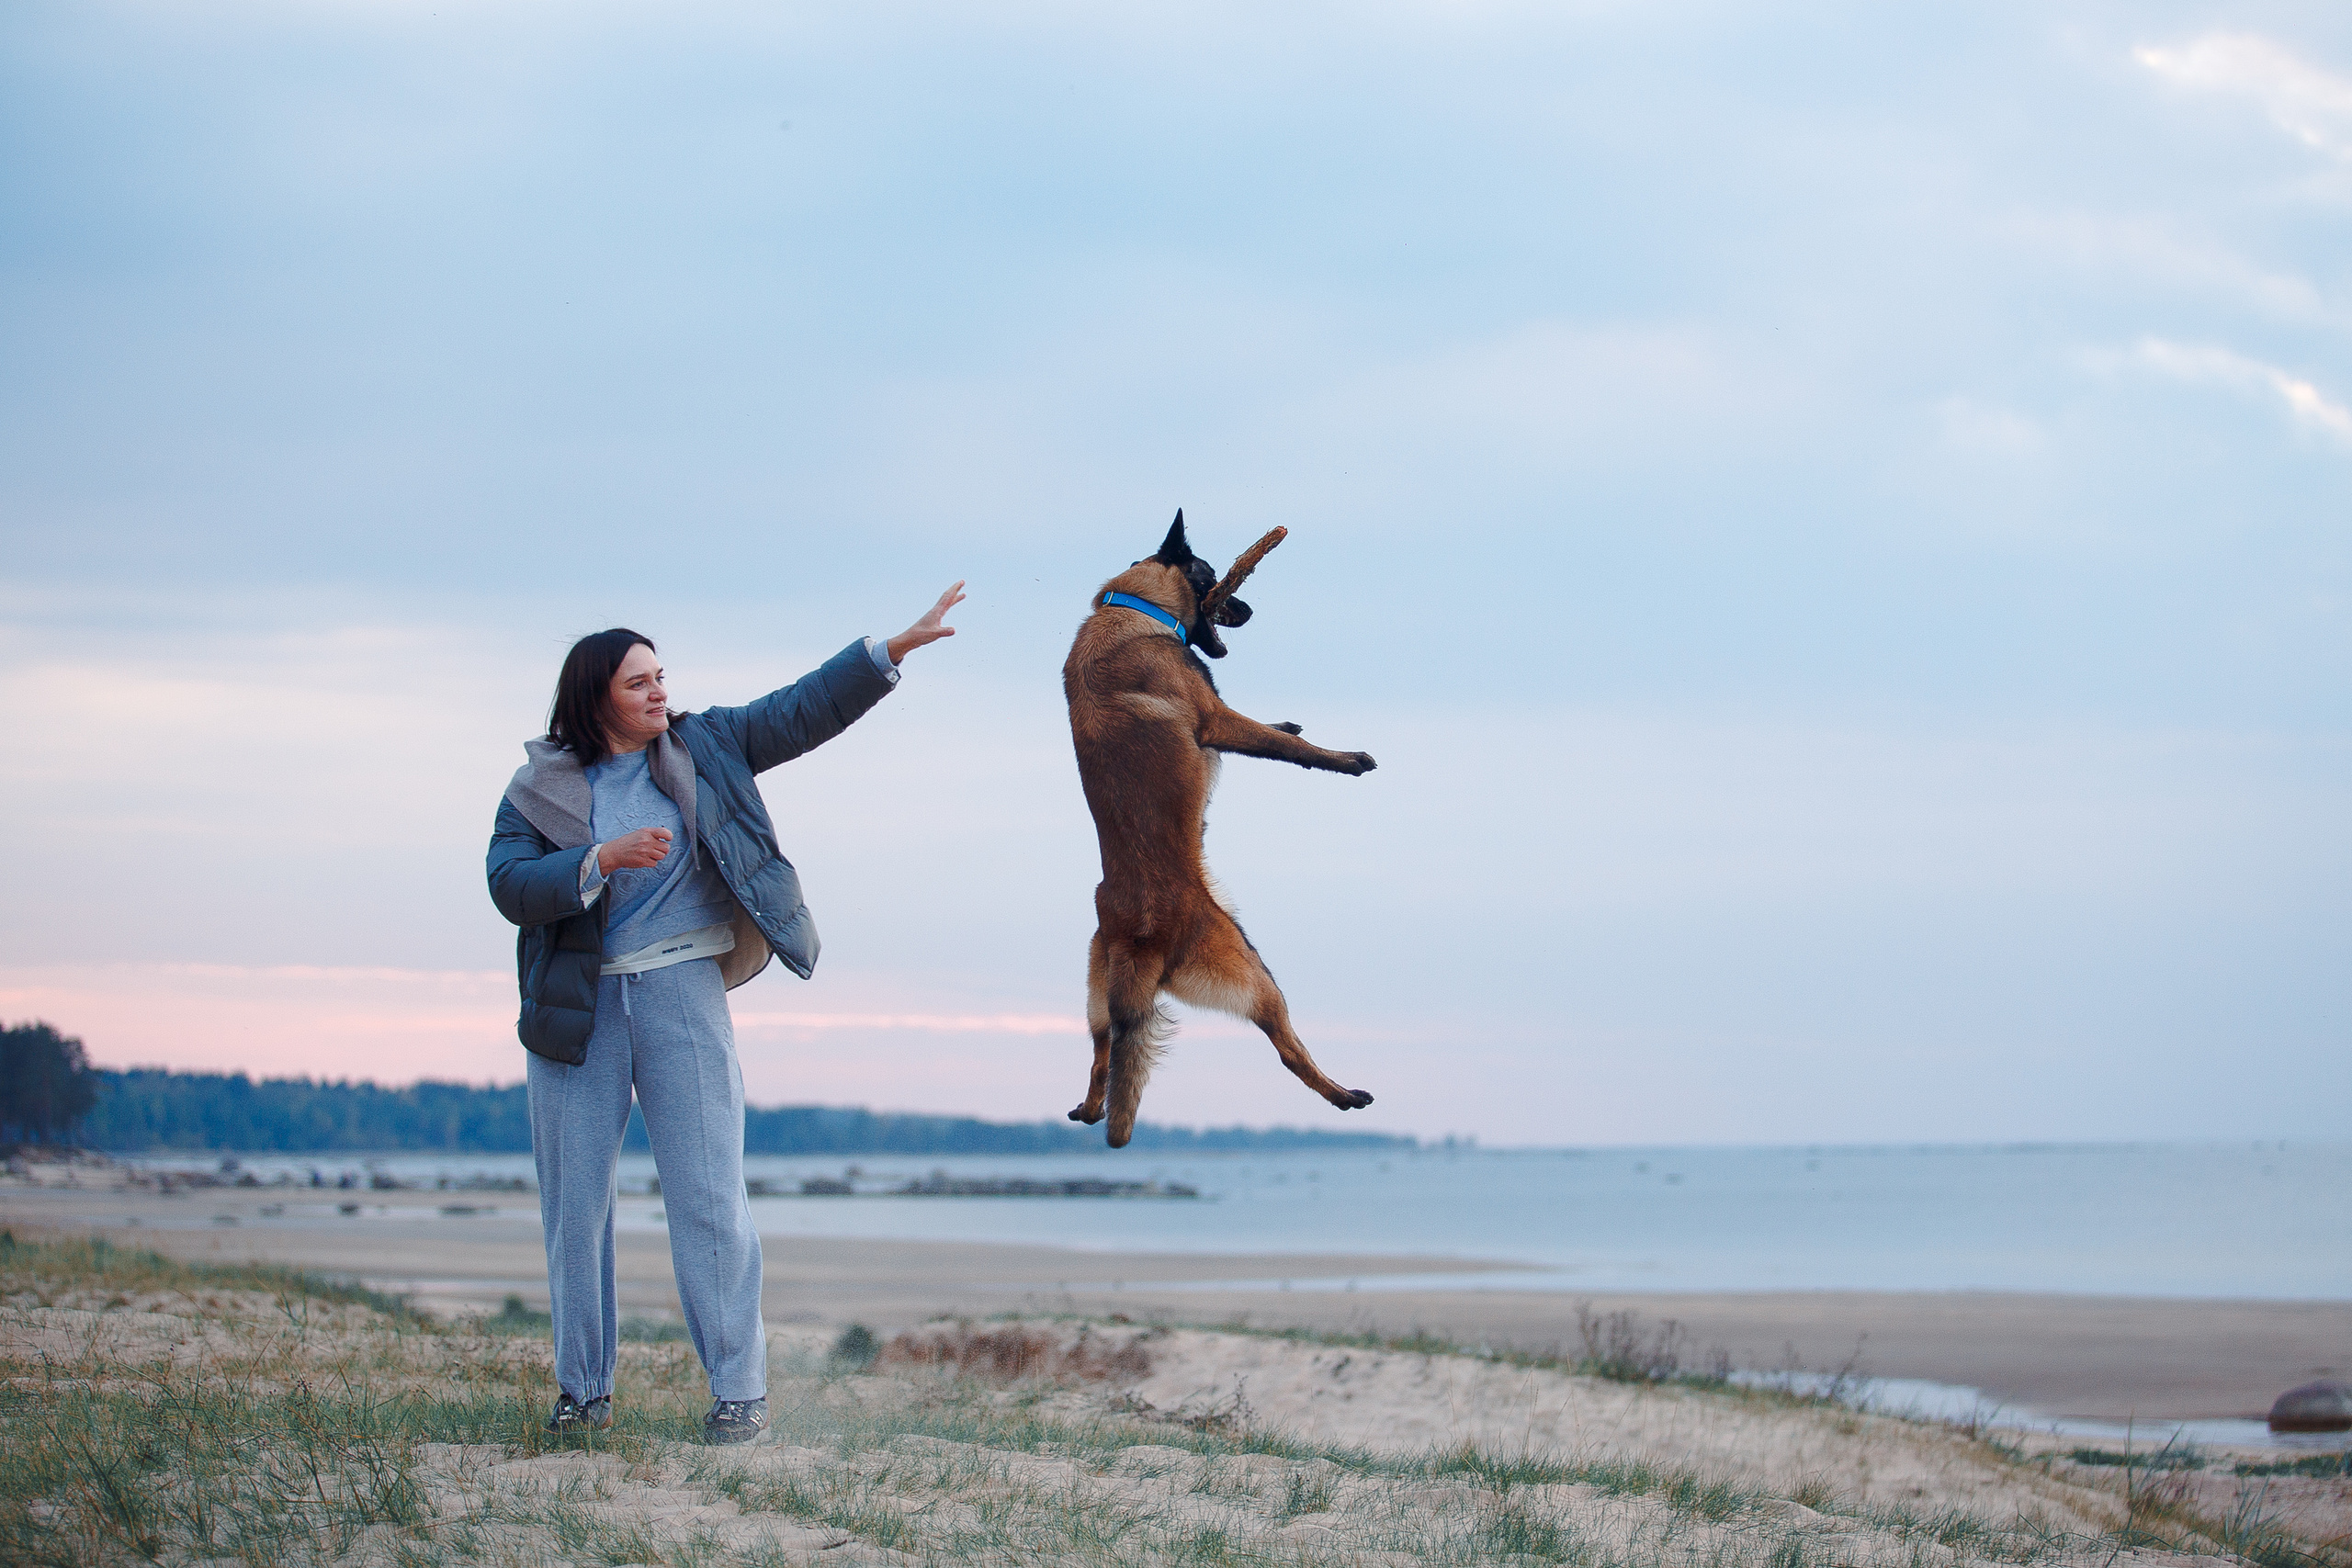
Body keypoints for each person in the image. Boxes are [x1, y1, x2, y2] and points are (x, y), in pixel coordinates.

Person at [486, 583, 965, 1444]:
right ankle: (582, 1391)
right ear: (595, 698)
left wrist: (887, 653)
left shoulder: (704, 744)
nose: (659, 693)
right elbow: (507, 884)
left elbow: (798, 711)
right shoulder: (537, 789)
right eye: (639, 684)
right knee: (575, 1207)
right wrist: (597, 858)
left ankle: (739, 1391)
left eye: (661, 676)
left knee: (709, 1197)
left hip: (682, 994)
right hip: (578, 1011)